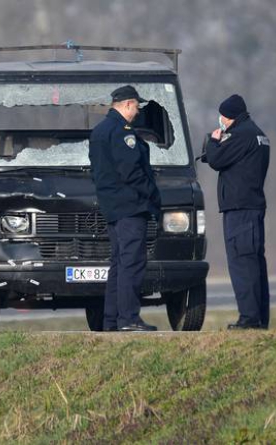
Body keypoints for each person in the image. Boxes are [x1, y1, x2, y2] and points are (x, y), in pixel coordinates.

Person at [89, 85, 161, 332]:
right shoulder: (121, 132)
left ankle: (111, 320)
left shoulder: (99, 130)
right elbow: (130, 170)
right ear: (128, 104)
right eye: (137, 106)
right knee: (132, 263)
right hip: (130, 206)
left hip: (112, 207)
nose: (138, 111)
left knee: (119, 264)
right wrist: (152, 195)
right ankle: (129, 318)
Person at [202, 94, 270, 330]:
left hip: (240, 210)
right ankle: (259, 317)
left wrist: (213, 141)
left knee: (242, 263)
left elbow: (216, 159)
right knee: (254, 263)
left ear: (229, 116)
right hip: (252, 207)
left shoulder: (242, 135)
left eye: (222, 116)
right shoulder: (258, 134)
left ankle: (249, 318)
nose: (220, 120)